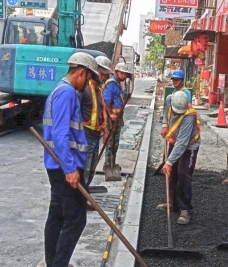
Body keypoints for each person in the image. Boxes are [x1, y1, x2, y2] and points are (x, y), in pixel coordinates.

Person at [42, 51, 97, 267]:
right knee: (76, 220)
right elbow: (60, 134)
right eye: (89, 78)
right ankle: (59, 263)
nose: (88, 84)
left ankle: (52, 261)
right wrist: (70, 169)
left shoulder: (60, 90)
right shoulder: (67, 93)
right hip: (65, 165)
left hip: (58, 164)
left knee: (56, 215)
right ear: (81, 73)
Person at [157, 91, 201, 225]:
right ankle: (171, 202)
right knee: (172, 173)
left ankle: (184, 209)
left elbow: (182, 143)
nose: (176, 114)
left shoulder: (189, 116)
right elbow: (166, 112)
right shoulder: (170, 99)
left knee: (184, 175)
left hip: (189, 146)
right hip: (174, 141)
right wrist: (165, 124)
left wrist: (169, 162)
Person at [78, 56, 105, 189]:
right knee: (85, 169)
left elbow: (99, 110)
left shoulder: (98, 91)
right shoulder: (84, 90)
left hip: (96, 135)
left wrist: (104, 123)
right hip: (86, 135)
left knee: (91, 169)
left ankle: (84, 195)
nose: (104, 77)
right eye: (103, 74)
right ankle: (80, 199)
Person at [102, 62, 131, 167]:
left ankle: (112, 162)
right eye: (122, 73)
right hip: (112, 118)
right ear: (116, 72)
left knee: (116, 141)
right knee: (111, 141)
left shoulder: (118, 84)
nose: (124, 75)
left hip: (118, 116)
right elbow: (107, 100)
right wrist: (110, 114)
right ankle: (108, 164)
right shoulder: (111, 83)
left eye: (125, 74)